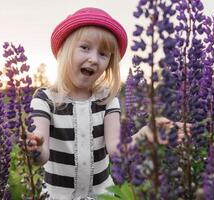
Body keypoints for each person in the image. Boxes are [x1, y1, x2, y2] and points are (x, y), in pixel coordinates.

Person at [27, 7, 189, 200]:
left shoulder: (107, 100)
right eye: (85, 47)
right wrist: (35, 149)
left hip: (103, 194)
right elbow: (42, 154)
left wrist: (146, 135)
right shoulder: (44, 99)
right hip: (57, 195)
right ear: (64, 51)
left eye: (103, 54)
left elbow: (116, 150)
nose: (94, 59)